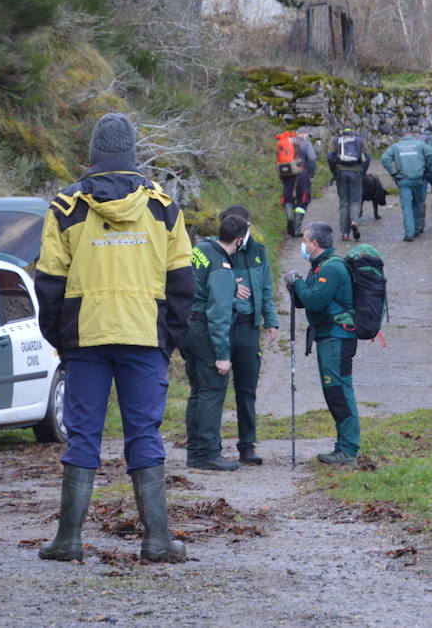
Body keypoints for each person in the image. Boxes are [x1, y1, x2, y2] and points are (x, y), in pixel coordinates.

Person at [33, 113, 196, 564]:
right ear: (132, 152)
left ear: (93, 151)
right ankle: (157, 540)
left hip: (86, 340)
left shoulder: (65, 208)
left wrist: (63, 341)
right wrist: (167, 340)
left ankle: (68, 540)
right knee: (144, 435)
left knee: (82, 437)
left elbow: (47, 284)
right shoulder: (163, 207)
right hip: (144, 337)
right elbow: (184, 283)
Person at [283, 222, 358, 465]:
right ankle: (342, 446)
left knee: (339, 390)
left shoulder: (332, 268)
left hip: (338, 337)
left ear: (314, 244)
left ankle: (348, 449)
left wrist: (298, 283)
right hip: (327, 336)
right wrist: (296, 286)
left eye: (305, 241)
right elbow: (305, 301)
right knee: (333, 391)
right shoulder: (319, 267)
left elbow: (314, 301)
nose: (303, 246)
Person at [183, 213, 248, 471]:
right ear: (239, 240)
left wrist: (228, 287)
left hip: (186, 326)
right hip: (204, 330)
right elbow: (218, 313)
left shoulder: (201, 248)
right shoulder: (222, 266)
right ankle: (208, 453)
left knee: (197, 391)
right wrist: (223, 354)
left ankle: (194, 450)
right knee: (212, 390)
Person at [220, 205, 279, 465]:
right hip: (219, 326)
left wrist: (271, 321)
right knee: (214, 389)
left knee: (247, 390)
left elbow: (266, 288)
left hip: (248, 327)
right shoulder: (213, 251)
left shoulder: (258, 252)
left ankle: (247, 445)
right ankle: (209, 446)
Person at [381, 131, 432, 242]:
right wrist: (427, 167)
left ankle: (409, 234)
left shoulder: (396, 146)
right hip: (418, 179)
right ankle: (417, 230)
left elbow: (384, 159)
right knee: (418, 203)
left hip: (403, 180)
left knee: (406, 206)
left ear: (403, 138)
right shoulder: (420, 145)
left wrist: (393, 172)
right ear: (413, 137)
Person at [327, 127, 370, 242]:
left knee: (344, 203)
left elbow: (330, 157)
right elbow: (367, 157)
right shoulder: (360, 141)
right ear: (352, 132)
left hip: (341, 174)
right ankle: (354, 221)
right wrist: (362, 172)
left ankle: (345, 233)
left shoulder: (336, 140)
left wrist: (335, 172)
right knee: (355, 201)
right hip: (356, 174)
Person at [276, 129, 317, 236]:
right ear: (304, 134)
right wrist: (311, 174)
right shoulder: (306, 144)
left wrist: (280, 175)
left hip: (287, 175)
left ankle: (290, 218)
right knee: (302, 201)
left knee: (288, 199)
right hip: (302, 175)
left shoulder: (286, 143)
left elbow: (278, 160)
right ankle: (297, 230)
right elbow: (312, 158)